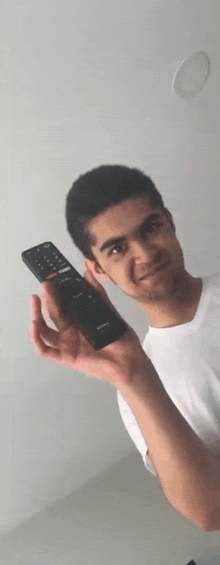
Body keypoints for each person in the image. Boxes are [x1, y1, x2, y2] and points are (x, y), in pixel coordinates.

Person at [29, 164, 220, 531]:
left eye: (150, 228)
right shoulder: (134, 392)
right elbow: (210, 512)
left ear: (169, 221)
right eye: (117, 248)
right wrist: (132, 376)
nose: (145, 254)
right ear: (96, 269)